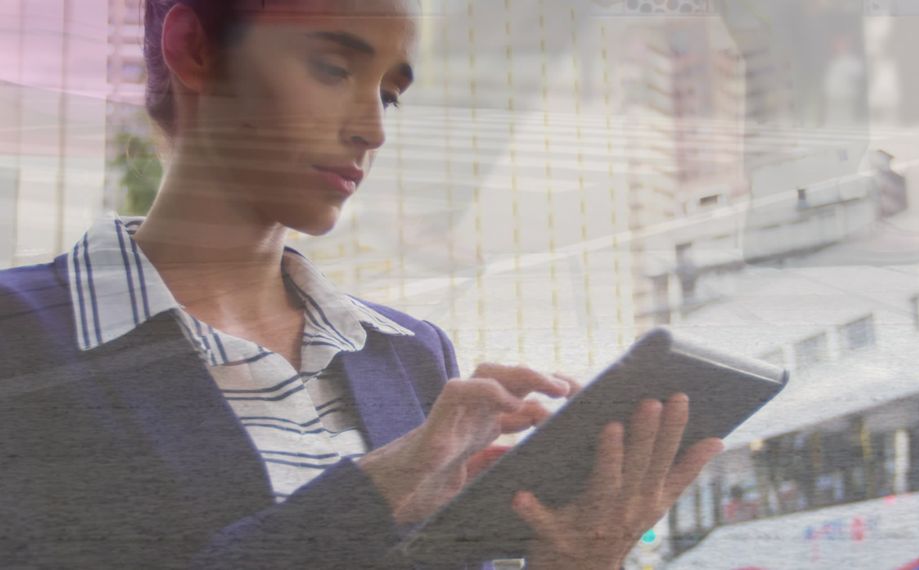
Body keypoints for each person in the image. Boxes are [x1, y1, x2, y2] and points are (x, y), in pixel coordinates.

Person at [0, 1, 724, 569]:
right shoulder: (22, 334)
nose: (373, 128)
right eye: (332, 69)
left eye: (390, 93)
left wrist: (573, 559)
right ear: (196, 50)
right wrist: (382, 486)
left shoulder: (409, 355)